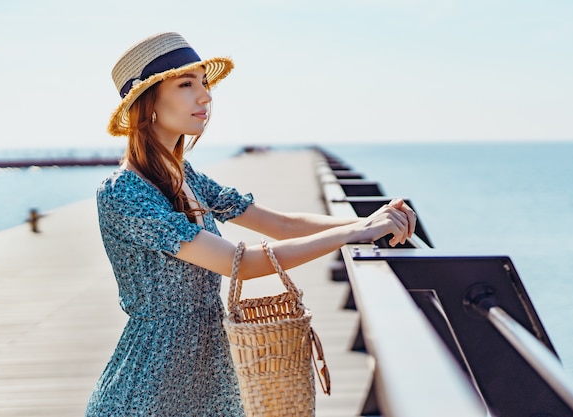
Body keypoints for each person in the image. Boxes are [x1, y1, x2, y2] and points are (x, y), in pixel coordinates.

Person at [85, 32, 417, 417]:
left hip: (213, 377)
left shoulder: (184, 175)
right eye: (186, 84)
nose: (205, 96)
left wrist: (367, 220)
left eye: (205, 84)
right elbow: (236, 262)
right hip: (147, 390)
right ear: (149, 102)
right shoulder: (123, 192)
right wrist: (351, 234)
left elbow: (280, 224)